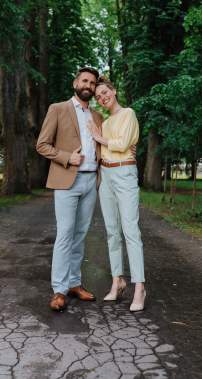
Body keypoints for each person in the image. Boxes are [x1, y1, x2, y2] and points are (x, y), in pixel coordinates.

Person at [36, 67, 136, 311]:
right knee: (65, 235)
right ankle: (59, 290)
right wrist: (66, 157)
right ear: (75, 83)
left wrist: (128, 150)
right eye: (85, 81)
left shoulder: (98, 117)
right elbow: (42, 145)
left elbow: (109, 145)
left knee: (80, 236)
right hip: (67, 181)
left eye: (92, 83)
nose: (88, 86)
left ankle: (74, 284)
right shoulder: (58, 109)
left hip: (92, 181)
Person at [87, 76, 146, 312]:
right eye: (98, 96)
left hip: (124, 173)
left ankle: (139, 288)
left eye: (105, 92)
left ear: (114, 90)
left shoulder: (128, 113)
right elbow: (110, 146)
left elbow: (121, 145)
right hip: (106, 175)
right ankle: (117, 281)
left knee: (130, 230)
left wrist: (98, 137)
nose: (102, 98)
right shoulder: (103, 121)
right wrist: (102, 139)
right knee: (112, 231)